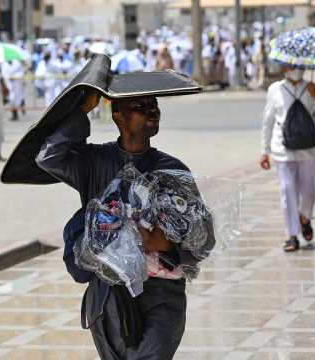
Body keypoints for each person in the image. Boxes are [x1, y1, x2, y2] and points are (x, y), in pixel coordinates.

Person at [36, 93, 209, 359]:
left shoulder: (173, 169)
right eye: (140, 106)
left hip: (160, 298)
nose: (151, 111)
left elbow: (204, 236)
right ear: (118, 117)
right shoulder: (93, 161)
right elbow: (48, 157)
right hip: (106, 298)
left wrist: (166, 244)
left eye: (154, 106)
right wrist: (83, 109)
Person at [260, 65, 315, 251]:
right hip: (283, 149)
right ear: (283, 66)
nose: (296, 69)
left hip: (309, 148)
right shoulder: (275, 89)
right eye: (292, 65)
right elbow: (268, 121)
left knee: (310, 190)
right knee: (287, 191)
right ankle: (292, 235)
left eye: (300, 65)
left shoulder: (314, 87)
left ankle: (305, 217)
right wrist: (264, 150)